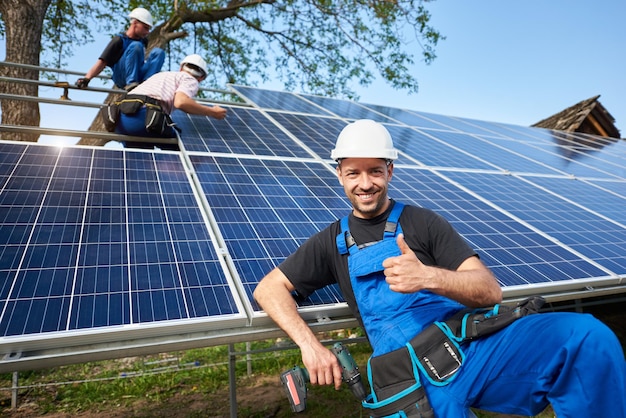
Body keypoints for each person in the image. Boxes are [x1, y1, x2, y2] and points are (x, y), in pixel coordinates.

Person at [253, 119, 626, 418]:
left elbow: (488, 289)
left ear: (390, 170)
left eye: (375, 171)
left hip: (471, 350)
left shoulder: (423, 222)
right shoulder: (330, 242)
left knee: (586, 339)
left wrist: (429, 276)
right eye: (353, 173)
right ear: (339, 174)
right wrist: (310, 346)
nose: (365, 184)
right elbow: (269, 288)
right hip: (406, 375)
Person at [110, 54, 227, 150]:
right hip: (142, 119)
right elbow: (181, 102)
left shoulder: (163, 75)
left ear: (181, 68)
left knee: (142, 162)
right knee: (182, 147)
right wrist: (212, 112)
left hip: (119, 120)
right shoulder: (190, 79)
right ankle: (178, 176)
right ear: (201, 78)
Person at [75, 7, 165, 91]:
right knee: (136, 46)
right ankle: (131, 83)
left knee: (159, 52)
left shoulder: (144, 41)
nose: (147, 32)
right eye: (145, 28)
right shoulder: (119, 40)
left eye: (148, 29)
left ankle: (148, 84)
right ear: (135, 23)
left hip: (137, 74)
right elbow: (102, 62)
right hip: (122, 76)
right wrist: (87, 79)